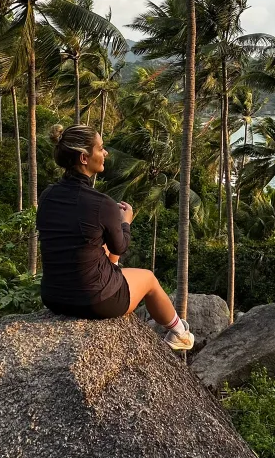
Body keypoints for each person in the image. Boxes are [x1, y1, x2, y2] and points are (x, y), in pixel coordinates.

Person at [37, 124, 195, 350]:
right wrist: (125, 222)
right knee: (149, 278)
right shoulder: (102, 204)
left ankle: (112, 276)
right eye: (100, 149)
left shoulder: (48, 195)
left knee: (95, 245)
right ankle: (180, 333)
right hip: (95, 302)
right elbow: (120, 246)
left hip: (53, 297)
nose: (106, 153)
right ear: (84, 158)